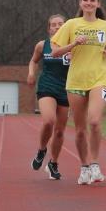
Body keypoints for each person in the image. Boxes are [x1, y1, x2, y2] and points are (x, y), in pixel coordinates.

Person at [51, 0, 106, 185]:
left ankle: (95, 163)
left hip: (99, 79)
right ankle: (84, 166)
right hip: (76, 81)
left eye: (92, 0)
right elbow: (55, 52)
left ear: (98, 4)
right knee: (80, 130)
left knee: (94, 121)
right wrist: (73, 45)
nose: (89, 3)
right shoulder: (71, 24)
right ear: (80, 3)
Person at [27, 14, 70, 180]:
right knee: (48, 121)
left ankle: (53, 163)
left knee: (59, 131)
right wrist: (31, 73)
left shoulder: (73, 45)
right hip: (47, 86)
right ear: (49, 28)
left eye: (61, 24)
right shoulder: (42, 45)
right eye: (54, 25)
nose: (57, 27)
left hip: (66, 89)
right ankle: (41, 149)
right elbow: (33, 61)